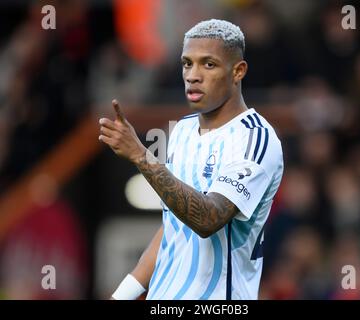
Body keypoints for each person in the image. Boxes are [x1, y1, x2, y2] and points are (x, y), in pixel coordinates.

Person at [99, 19, 284, 300]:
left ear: (238, 71)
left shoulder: (256, 140)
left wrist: (141, 155)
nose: (193, 75)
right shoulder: (183, 130)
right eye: (187, 63)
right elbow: (174, 225)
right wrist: (121, 296)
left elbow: (208, 219)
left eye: (208, 64)